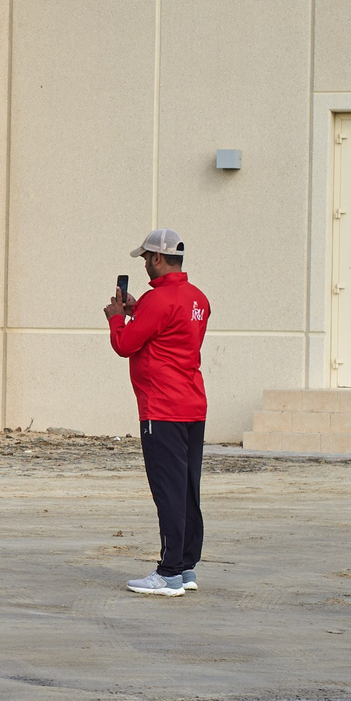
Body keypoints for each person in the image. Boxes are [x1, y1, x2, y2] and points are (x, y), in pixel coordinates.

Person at [104, 228, 211, 597]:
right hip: (192, 406)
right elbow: (172, 329)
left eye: (147, 259)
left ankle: (167, 573)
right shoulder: (198, 299)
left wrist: (118, 317)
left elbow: (124, 344)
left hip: (162, 409)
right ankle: (184, 568)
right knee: (186, 490)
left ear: (159, 259)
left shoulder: (157, 301)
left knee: (167, 491)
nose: (145, 265)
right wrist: (138, 310)